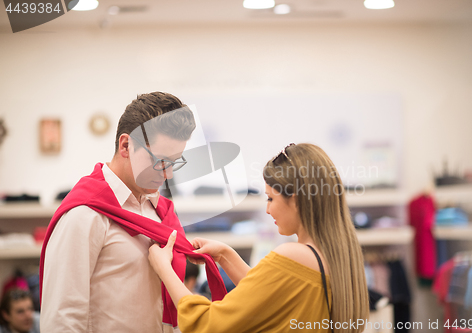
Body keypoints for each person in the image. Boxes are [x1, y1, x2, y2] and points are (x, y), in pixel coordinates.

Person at [39, 92, 227, 333]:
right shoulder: (85, 214)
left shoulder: (159, 210)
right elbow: (62, 318)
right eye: (160, 161)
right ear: (126, 145)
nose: (168, 174)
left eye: (174, 162)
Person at [148, 143, 370, 333]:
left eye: (270, 198)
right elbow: (269, 297)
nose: (267, 210)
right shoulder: (340, 258)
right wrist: (225, 255)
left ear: (296, 200)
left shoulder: (293, 254)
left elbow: (209, 325)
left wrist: (164, 269)